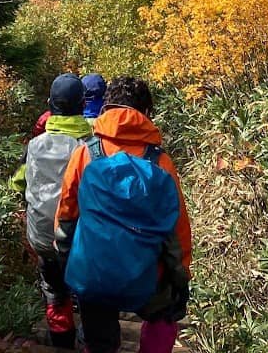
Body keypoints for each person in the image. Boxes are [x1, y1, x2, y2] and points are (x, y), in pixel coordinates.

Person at [55, 77, 191, 353]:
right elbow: (176, 228)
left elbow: (67, 213)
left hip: (94, 270)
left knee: (99, 340)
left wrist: (65, 258)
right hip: (147, 273)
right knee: (163, 316)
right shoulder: (161, 162)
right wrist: (181, 275)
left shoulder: (85, 154)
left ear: (106, 109)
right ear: (146, 113)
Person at [12, 73, 92, 349]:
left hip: (42, 237)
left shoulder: (34, 146)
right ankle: (89, 337)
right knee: (88, 292)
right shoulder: (90, 147)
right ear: (82, 105)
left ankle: (61, 343)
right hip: (80, 240)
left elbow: (17, 183)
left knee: (54, 291)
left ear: (50, 105)